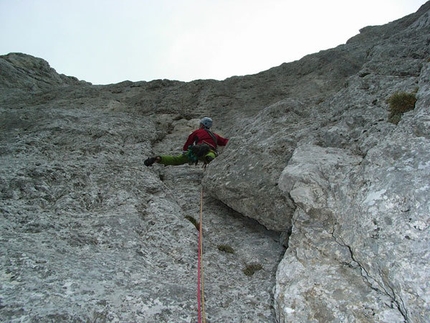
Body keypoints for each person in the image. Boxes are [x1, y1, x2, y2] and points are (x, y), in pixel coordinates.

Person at [144, 117, 229, 167]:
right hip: (208, 150)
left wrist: (186, 151)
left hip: (195, 151)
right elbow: (225, 142)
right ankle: (210, 158)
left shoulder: (197, 132)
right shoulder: (215, 135)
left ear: (202, 125)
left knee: (176, 160)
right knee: (211, 153)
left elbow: (188, 143)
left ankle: (159, 158)